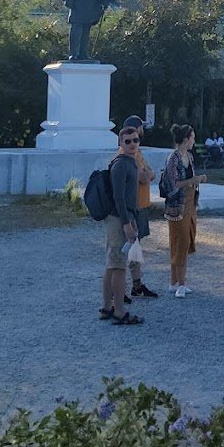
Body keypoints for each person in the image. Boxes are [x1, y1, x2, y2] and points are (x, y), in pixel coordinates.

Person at [100, 125, 145, 326]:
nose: (132, 144)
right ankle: (118, 310)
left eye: (135, 140)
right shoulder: (120, 164)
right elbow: (119, 197)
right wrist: (127, 223)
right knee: (118, 266)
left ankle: (107, 308)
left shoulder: (131, 162)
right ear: (120, 143)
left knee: (112, 264)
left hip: (124, 218)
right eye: (127, 141)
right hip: (118, 220)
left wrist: (131, 218)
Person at [163, 124, 208, 298]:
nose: (194, 141)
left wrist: (196, 181)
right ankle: (180, 283)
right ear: (186, 139)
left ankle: (175, 281)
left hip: (190, 203)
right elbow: (172, 185)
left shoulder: (189, 156)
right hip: (177, 205)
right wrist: (193, 180)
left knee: (187, 240)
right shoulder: (173, 158)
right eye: (192, 137)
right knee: (179, 241)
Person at [119, 116, 160, 302]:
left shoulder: (138, 152)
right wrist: (148, 174)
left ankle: (136, 285)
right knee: (126, 248)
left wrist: (148, 174)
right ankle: (119, 290)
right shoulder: (126, 154)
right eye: (140, 128)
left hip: (142, 205)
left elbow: (150, 173)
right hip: (133, 206)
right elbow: (145, 177)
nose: (136, 141)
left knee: (136, 247)